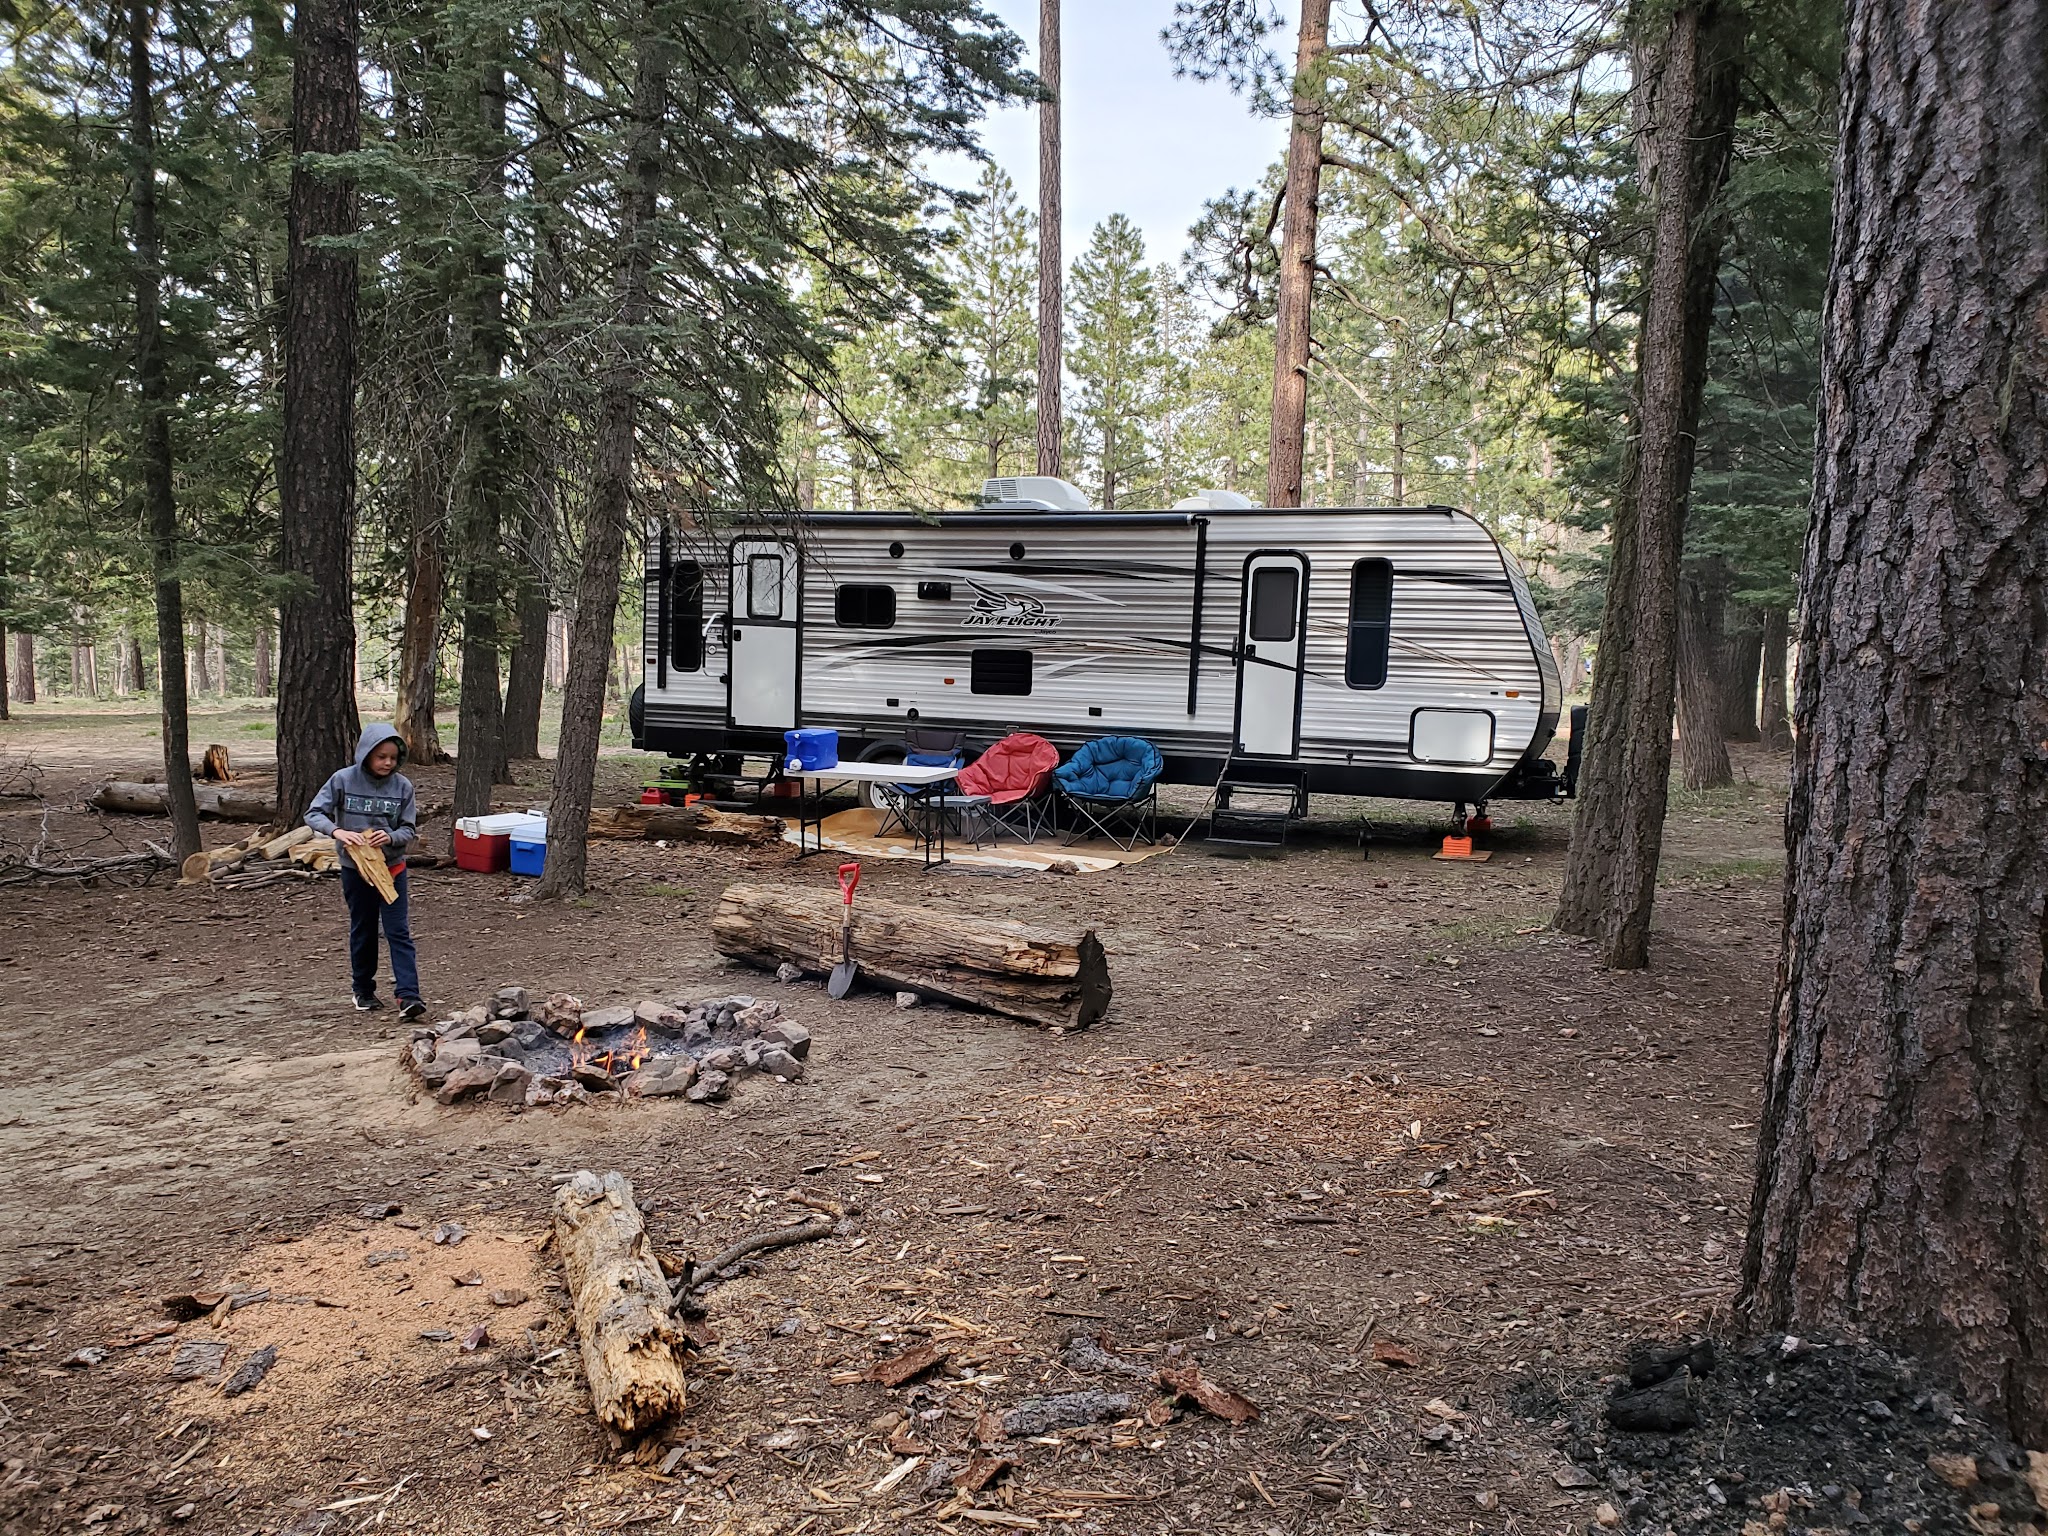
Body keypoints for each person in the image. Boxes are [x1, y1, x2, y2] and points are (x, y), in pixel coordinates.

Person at [305, 725, 425, 1019]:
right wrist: (338, 832)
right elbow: (314, 813)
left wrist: (391, 837)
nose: (387, 763)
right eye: (381, 756)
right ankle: (363, 990)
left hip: (392, 869)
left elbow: (408, 828)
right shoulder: (343, 780)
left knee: (398, 931)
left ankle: (408, 996)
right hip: (355, 870)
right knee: (365, 930)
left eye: (393, 758)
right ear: (366, 754)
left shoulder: (403, 787)